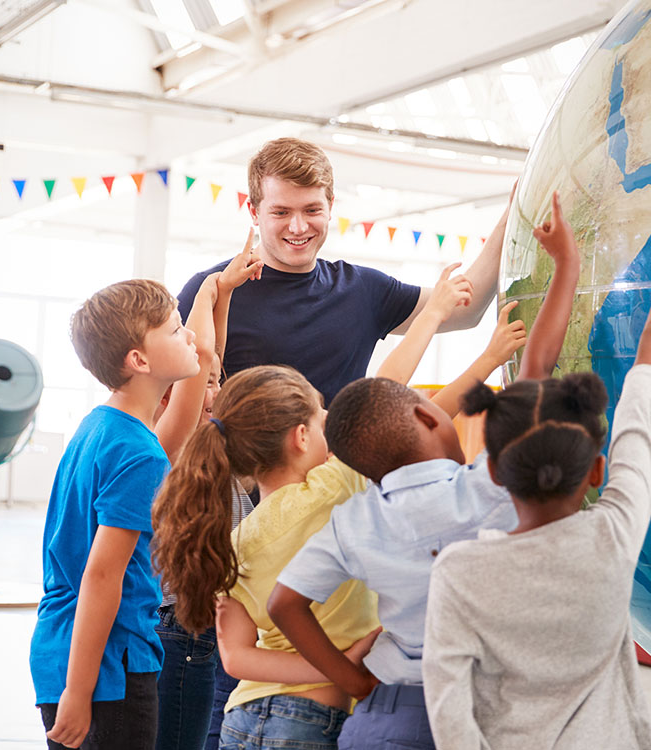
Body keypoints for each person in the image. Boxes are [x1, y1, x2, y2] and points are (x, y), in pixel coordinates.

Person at [152, 264, 524, 749]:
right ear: (301, 437)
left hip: (242, 718)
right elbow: (394, 406)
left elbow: (237, 658)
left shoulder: (231, 536)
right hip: (310, 720)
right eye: (324, 415)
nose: (337, 423)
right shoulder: (332, 490)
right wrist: (464, 341)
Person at [266, 191, 579, 750]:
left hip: (383, 715)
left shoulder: (352, 519)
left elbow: (283, 604)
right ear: (427, 417)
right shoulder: (488, 484)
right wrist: (566, 265)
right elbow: (538, 369)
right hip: (477, 713)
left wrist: (354, 679)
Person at [422, 280, 651, 750]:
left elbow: (449, 713)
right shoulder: (611, 536)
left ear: (494, 471)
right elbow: (634, 430)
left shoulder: (458, 572)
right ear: (596, 472)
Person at [176, 137, 513, 405]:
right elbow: (169, 399)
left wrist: (514, 212)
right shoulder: (213, 291)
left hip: (340, 485)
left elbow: (466, 310)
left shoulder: (362, 289)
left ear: (331, 206)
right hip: (237, 489)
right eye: (281, 212)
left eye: (311, 210)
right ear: (254, 211)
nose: (298, 226)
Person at [29, 279, 200, 750]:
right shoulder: (139, 454)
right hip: (107, 668)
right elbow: (102, 576)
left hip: (63, 647)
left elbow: (185, 405)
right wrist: (80, 692)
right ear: (139, 360)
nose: (188, 338)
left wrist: (215, 296)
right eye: (175, 329)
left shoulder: (100, 425)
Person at [152, 232, 263, 750]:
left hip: (210, 621)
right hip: (182, 628)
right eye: (204, 384)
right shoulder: (173, 444)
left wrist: (227, 295)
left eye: (218, 382)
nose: (214, 391)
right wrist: (206, 291)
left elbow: (211, 355)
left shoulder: (212, 440)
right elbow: (200, 355)